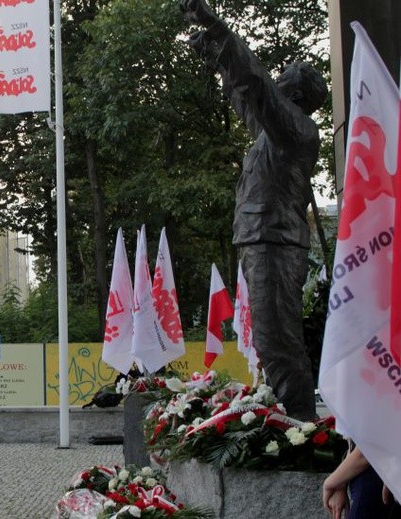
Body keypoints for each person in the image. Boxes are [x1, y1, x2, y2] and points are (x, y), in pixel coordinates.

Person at [180, 0, 328, 421]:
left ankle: (301, 427)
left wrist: (216, 25)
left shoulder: (296, 128)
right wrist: (213, 49)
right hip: (260, 237)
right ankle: (295, 421)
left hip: (274, 238)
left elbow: (256, 85)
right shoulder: (274, 130)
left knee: (278, 340)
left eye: (283, 79)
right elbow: (244, 93)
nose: (275, 81)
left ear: (295, 93)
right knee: (272, 339)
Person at [322, 442, 401, 519]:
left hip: (375, 481)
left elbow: (367, 448)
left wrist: (330, 483)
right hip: (375, 479)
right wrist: (341, 482)